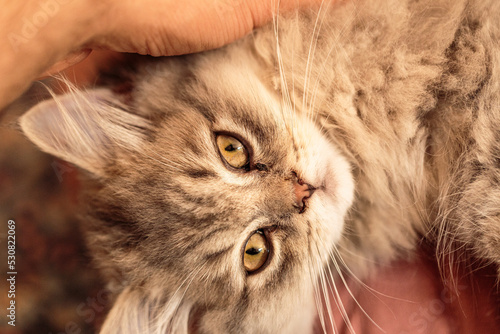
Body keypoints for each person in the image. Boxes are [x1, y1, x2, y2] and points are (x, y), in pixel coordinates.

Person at [1, 0, 498, 333]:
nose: (295, 196)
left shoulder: (310, 59)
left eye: (234, 151)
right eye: (256, 252)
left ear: (150, 104)